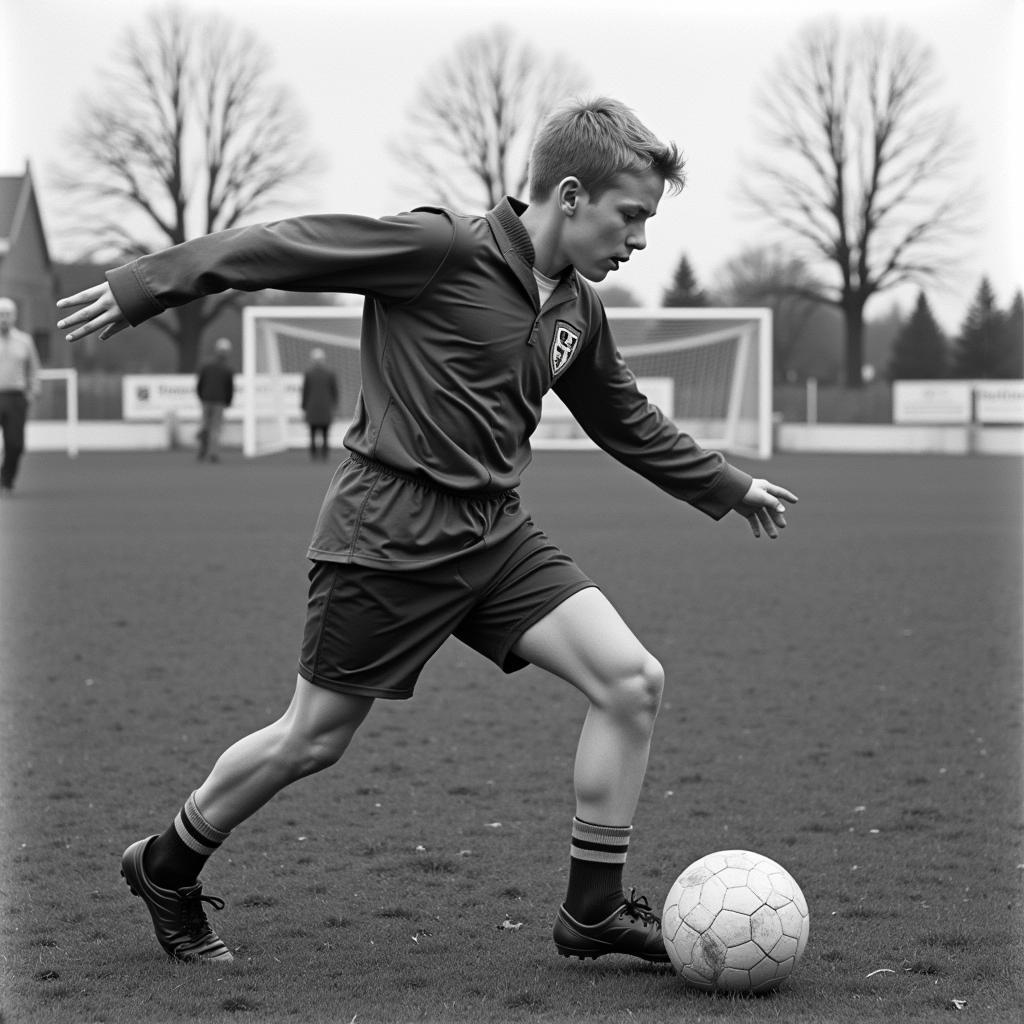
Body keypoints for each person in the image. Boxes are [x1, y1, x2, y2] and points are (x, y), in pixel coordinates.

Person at [56, 97, 798, 967]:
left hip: (495, 539)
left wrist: (728, 484)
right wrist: (147, 285)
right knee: (314, 738)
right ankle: (168, 864)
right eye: (629, 215)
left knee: (632, 682)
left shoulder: (577, 313)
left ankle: (592, 911)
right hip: (387, 536)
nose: (639, 239)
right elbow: (284, 243)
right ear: (570, 194)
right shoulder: (441, 246)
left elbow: (624, 420)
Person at [0, 297, 42, 493]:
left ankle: (6, 478)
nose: (4, 319)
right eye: (0, 315)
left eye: (7, 314)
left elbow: (34, 370)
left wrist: (32, 393)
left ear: (14, 317)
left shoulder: (25, 341)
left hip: (16, 398)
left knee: (15, 444)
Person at [195, 337, 234, 462]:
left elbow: (199, 385)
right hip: (219, 401)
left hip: (206, 400)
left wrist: (202, 397)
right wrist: (228, 401)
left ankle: (203, 449)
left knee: (206, 425)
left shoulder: (206, 366)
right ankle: (213, 453)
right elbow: (230, 388)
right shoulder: (227, 369)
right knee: (215, 428)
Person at [301, 347, 339, 460]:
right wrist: (335, 404)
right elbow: (334, 391)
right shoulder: (330, 373)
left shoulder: (308, 373)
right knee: (325, 431)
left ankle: (313, 453)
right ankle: (324, 453)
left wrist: (304, 406)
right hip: (325, 407)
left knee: (313, 432)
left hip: (312, 407)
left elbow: (305, 391)